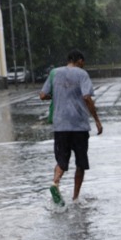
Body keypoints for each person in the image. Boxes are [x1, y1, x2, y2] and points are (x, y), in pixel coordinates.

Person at [39, 50, 103, 201]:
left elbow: (42, 95)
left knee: (62, 160)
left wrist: (56, 95)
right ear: (79, 61)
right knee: (80, 163)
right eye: (83, 62)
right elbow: (87, 98)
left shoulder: (54, 73)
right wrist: (97, 120)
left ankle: (55, 183)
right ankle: (75, 198)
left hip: (60, 125)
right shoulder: (82, 74)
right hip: (79, 126)